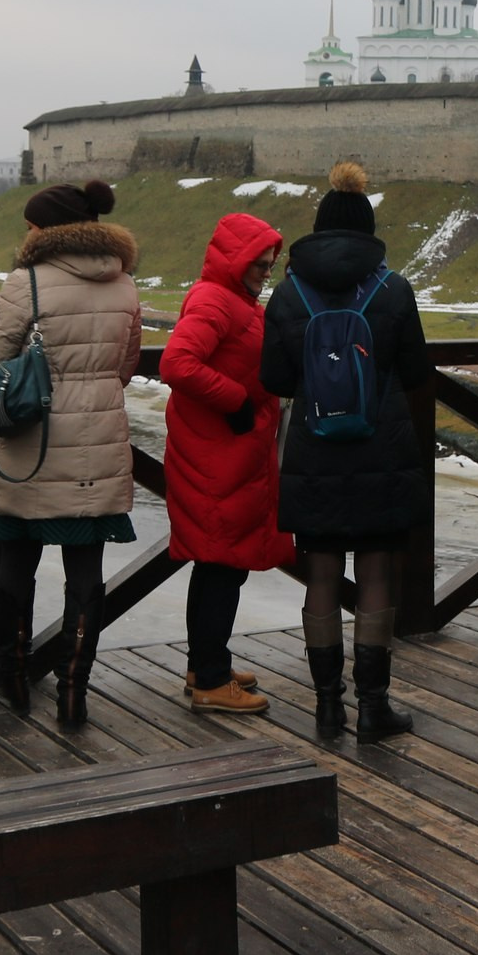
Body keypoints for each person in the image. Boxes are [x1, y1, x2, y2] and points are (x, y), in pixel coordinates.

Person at [261, 163, 433, 742]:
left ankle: (327, 707)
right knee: (378, 570)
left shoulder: (288, 292)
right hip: (381, 446)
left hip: (314, 450)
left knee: (323, 576)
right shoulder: (394, 288)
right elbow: (415, 372)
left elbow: (275, 379)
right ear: (369, 230)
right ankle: (374, 705)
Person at [0, 181, 145, 727]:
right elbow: (126, 365)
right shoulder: (125, 284)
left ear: (45, 231)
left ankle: (16, 677)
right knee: (85, 572)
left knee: (16, 563)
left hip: (34, 443)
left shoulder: (27, 282)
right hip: (97, 443)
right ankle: (74, 689)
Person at [163, 212, 291, 715]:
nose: (264, 271)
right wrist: (237, 401)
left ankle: (206, 664)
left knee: (221, 565)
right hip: (216, 455)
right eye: (257, 263)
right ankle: (211, 681)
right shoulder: (217, 300)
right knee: (220, 565)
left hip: (228, 455)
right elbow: (177, 363)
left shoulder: (235, 301)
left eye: (269, 263)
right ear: (233, 261)